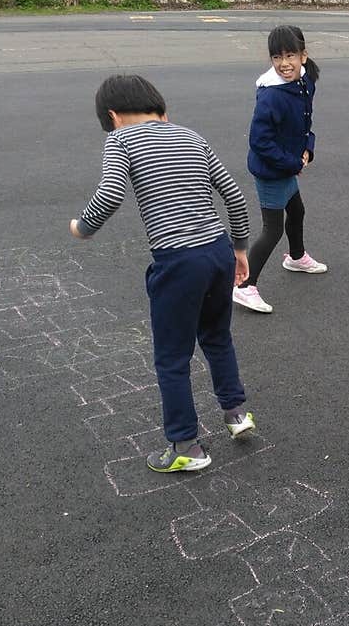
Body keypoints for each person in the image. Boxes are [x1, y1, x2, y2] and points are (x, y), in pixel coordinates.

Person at [70, 74, 255, 473]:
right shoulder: (190, 135)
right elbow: (235, 197)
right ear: (161, 110)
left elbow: (110, 193)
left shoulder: (120, 140)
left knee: (172, 357)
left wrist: (82, 228)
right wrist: (239, 249)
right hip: (218, 251)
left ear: (113, 116)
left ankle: (186, 445)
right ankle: (237, 414)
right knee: (217, 337)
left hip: (178, 261)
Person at [233, 25, 326, 314]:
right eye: (277, 57)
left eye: (290, 55)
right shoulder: (271, 95)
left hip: (287, 164)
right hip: (271, 170)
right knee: (272, 229)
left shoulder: (305, 80)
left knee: (296, 211)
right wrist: (292, 163)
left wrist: (307, 147)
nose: (284, 63)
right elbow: (259, 141)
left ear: (303, 55)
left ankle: (296, 257)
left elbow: (305, 121)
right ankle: (245, 286)